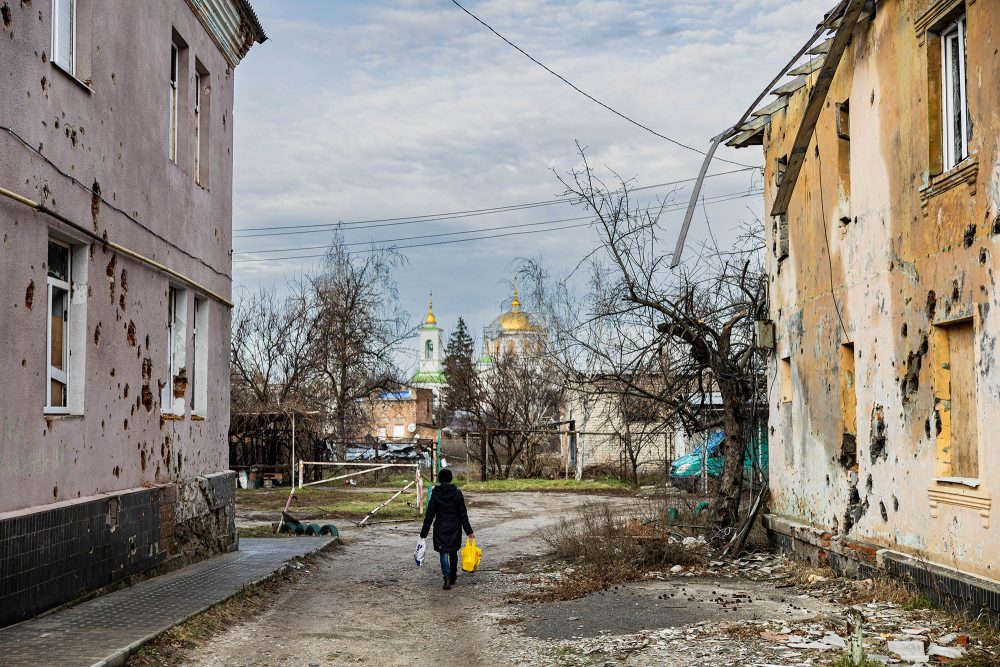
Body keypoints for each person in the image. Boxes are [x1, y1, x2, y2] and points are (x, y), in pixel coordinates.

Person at [419, 468, 473, 590]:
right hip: (455, 527)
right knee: (453, 551)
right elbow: (463, 514)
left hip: (440, 527)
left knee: (443, 553)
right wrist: (469, 531)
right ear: (450, 479)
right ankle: (453, 575)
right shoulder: (457, 493)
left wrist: (424, 533)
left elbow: (430, 514)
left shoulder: (436, 493)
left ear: (440, 479)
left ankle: (447, 577)